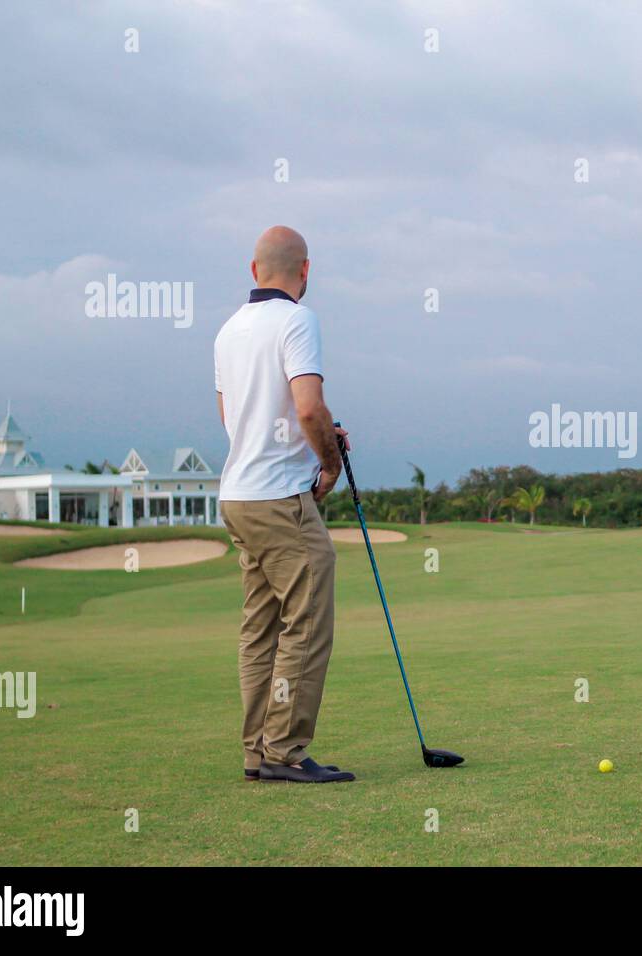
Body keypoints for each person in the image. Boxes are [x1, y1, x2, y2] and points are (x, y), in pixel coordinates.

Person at [213, 225, 354, 783]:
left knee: (260, 628)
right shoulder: (299, 320)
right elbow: (308, 407)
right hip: (279, 498)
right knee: (307, 619)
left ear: (253, 271)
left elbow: (234, 417)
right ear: (305, 271)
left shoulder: (228, 331)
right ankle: (284, 750)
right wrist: (329, 461)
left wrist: (307, 437)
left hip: (238, 496)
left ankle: (258, 750)